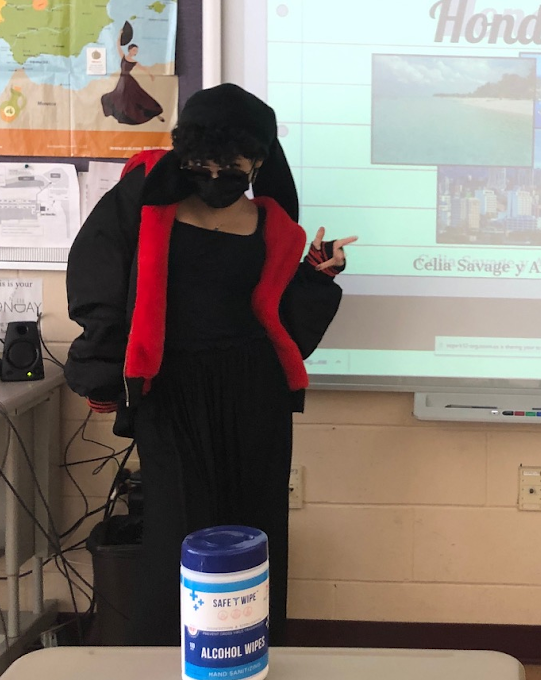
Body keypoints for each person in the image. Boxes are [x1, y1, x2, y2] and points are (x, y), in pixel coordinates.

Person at [64, 83, 355, 646]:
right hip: (172, 392)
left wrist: (317, 275)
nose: (216, 175)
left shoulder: (272, 223)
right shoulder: (145, 207)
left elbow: (277, 317)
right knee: (179, 530)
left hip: (256, 392)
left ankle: (251, 649)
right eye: (203, 163)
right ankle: (168, 658)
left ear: (258, 162)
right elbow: (98, 283)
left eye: (232, 166)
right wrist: (102, 372)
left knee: (256, 526)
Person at [100, 22, 164, 126]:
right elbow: (118, 45)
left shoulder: (134, 61)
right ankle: (125, 114)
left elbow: (143, 68)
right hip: (122, 80)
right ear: (129, 50)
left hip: (129, 81)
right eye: (134, 50)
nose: (135, 52)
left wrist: (150, 74)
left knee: (140, 97)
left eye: (136, 51)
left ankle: (156, 114)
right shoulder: (123, 56)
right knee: (120, 97)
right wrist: (120, 34)